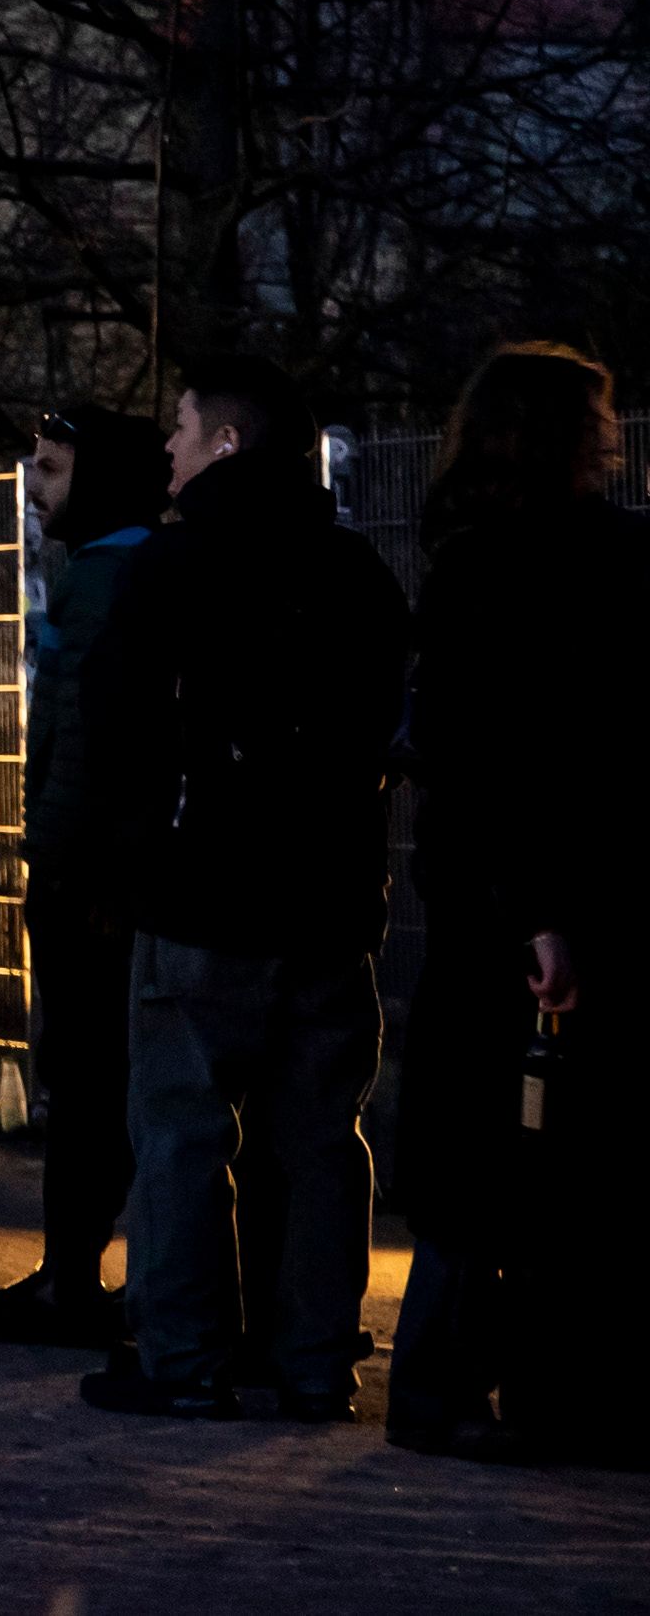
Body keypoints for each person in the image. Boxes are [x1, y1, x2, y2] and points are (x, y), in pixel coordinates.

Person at [75, 355, 413, 1422]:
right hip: (326, 898)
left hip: (201, 892)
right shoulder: (356, 570)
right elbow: (379, 728)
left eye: (180, 426)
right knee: (318, 1137)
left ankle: (181, 1358)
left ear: (227, 440)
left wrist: (119, 865)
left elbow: (117, 726)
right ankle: (313, 1358)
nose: (164, 445)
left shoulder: (171, 568)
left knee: (181, 1130)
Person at [391, 342, 649, 1462]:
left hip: (493, 895)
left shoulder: (469, 560)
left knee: (477, 1146)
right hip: (564, 888)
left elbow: (466, 750)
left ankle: (453, 1381)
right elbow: (527, 748)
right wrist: (542, 904)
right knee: (564, 1156)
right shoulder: (591, 562)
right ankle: (547, 1384)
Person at [0, 406, 172, 1353]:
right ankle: (78, 1273)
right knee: (99, 1079)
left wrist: (64, 863)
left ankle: (69, 1280)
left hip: (90, 879)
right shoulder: (114, 575)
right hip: (101, 869)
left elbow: (88, 750)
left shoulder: (110, 584)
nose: (35, 486)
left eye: (52, 467)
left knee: (87, 1078)